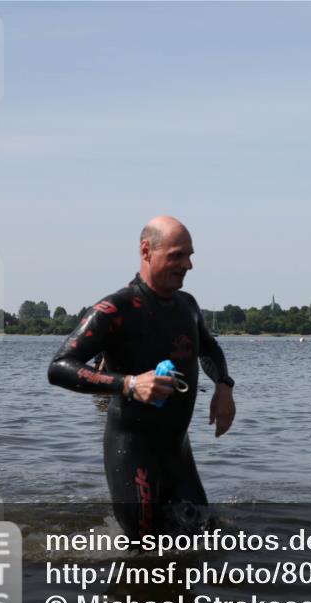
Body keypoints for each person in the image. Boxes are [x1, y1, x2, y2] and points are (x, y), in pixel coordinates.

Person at [48, 216, 236, 541]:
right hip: (133, 453)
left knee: (206, 538)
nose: (188, 264)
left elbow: (209, 348)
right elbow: (60, 366)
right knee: (146, 552)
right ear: (147, 251)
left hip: (178, 452)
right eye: (177, 255)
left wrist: (224, 386)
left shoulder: (187, 306)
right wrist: (129, 384)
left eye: (190, 255)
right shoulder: (114, 309)